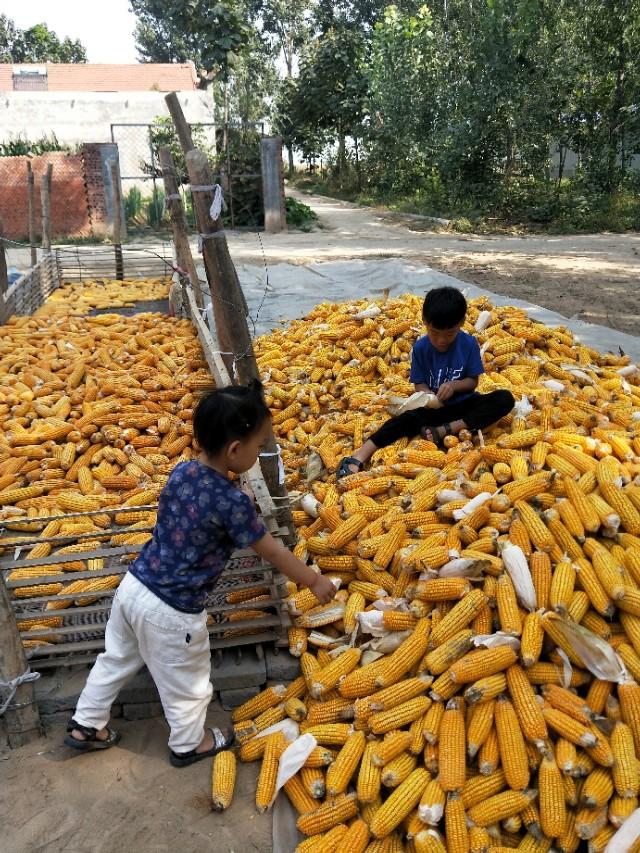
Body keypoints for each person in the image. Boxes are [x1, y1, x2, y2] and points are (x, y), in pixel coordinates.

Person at [65, 381, 336, 766]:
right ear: (234, 450)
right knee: (188, 685)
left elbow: (199, 510)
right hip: (173, 612)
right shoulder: (233, 505)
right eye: (259, 447)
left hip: (134, 587)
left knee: (115, 659)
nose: (260, 454)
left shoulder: (183, 471)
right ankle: (190, 743)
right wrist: (313, 580)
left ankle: (86, 724)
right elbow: (271, 549)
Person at [337, 286, 515, 478]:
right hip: (433, 410)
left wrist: (454, 386)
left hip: (464, 404)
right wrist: (428, 396)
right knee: (401, 421)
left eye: (449, 334)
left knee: (504, 398)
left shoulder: (468, 344)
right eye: (434, 332)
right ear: (424, 322)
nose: (441, 340)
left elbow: (472, 381)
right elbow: (418, 385)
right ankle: (358, 456)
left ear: (462, 323)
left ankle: (445, 430)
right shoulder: (421, 348)